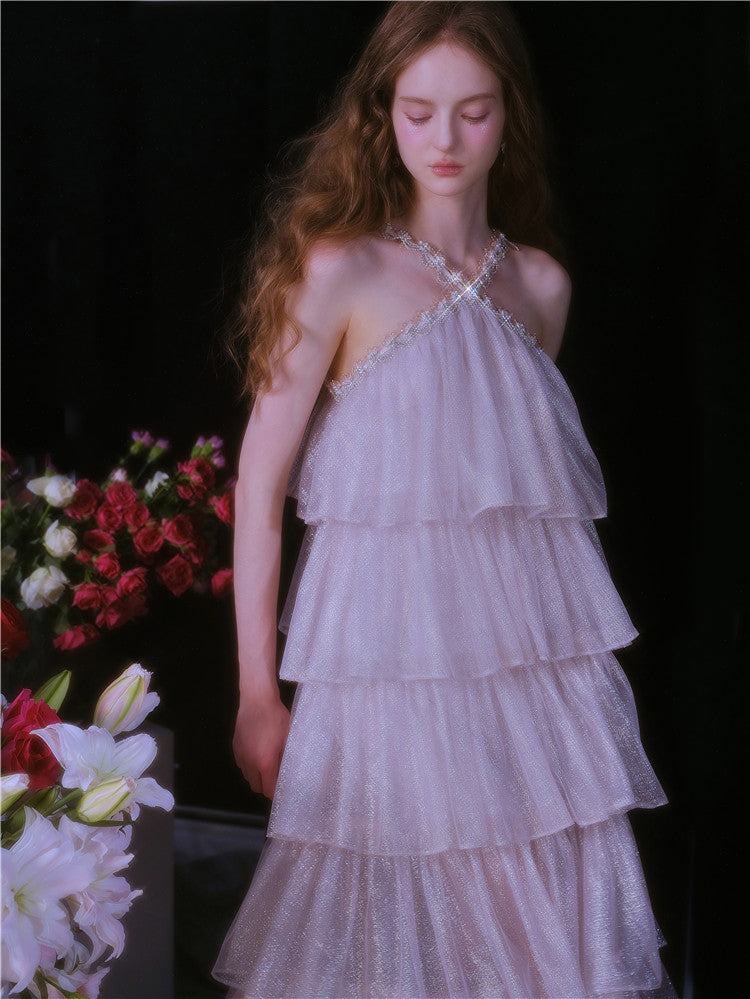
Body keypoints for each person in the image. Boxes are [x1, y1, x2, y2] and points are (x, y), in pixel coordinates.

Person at [213, 3, 677, 996]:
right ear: (384, 115)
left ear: (510, 115)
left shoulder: (540, 287)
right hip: (386, 685)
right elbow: (260, 488)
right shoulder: (341, 268)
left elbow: (513, 506)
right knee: (395, 948)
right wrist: (258, 692)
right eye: (419, 112)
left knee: (542, 951)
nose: (446, 140)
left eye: (474, 111)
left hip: (519, 690)